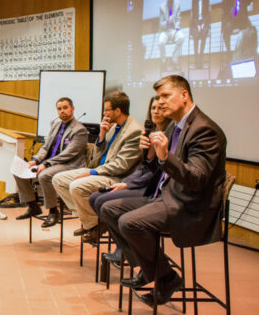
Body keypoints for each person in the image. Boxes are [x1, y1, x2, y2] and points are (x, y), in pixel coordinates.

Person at [101, 75, 226, 307]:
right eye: (159, 97)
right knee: (108, 208)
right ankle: (152, 268)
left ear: (184, 95)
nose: (161, 102)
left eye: (166, 96)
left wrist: (165, 157)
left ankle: (166, 278)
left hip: (190, 205)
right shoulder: (175, 127)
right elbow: (156, 169)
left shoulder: (204, 130)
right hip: (166, 195)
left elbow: (197, 180)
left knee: (130, 223)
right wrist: (149, 155)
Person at [52, 91, 142, 243]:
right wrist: (101, 136)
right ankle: (94, 222)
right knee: (58, 179)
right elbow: (96, 159)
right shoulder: (113, 127)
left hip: (116, 178)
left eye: (106, 109)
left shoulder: (134, 131)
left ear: (117, 110)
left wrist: (92, 173)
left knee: (76, 186)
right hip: (100, 171)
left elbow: (121, 166)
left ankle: (93, 223)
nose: (104, 113)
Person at [89, 96, 169, 264]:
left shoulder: (168, 135)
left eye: (160, 108)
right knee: (95, 198)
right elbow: (144, 167)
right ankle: (126, 249)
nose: (156, 111)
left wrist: (129, 183)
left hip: (153, 189)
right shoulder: (150, 132)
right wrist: (127, 182)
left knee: (104, 203)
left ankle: (132, 254)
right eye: (153, 108)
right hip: (142, 182)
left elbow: (158, 172)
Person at [14, 97, 88, 227]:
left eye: (65, 108)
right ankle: (32, 206)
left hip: (70, 165)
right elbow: (46, 147)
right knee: (19, 170)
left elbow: (68, 154)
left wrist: (46, 164)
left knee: (44, 175)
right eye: (59, 109)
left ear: (72, 109)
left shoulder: (80, 130)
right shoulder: (56, 125)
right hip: (51, 163)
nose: (62, 111)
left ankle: (53, 211)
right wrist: (35, 160)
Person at [158, 0, 184, 72]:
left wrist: (176, 30)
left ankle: (174, 59)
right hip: (165, 31)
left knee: (181, 37)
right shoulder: (162, 6)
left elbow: (179, 20)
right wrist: (167, 22)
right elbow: (160, 24)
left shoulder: (177, 3)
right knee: (160, 41)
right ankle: (164, 61)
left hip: (174, 30)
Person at [190, 0, 210, 69]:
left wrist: (203, 23)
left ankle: (200, 59)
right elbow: (193, 14)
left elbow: (207, 12)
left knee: (203, 35)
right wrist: (198, 24)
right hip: (195, 22)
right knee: (196, 36)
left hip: (205, 21)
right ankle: (196, 59)